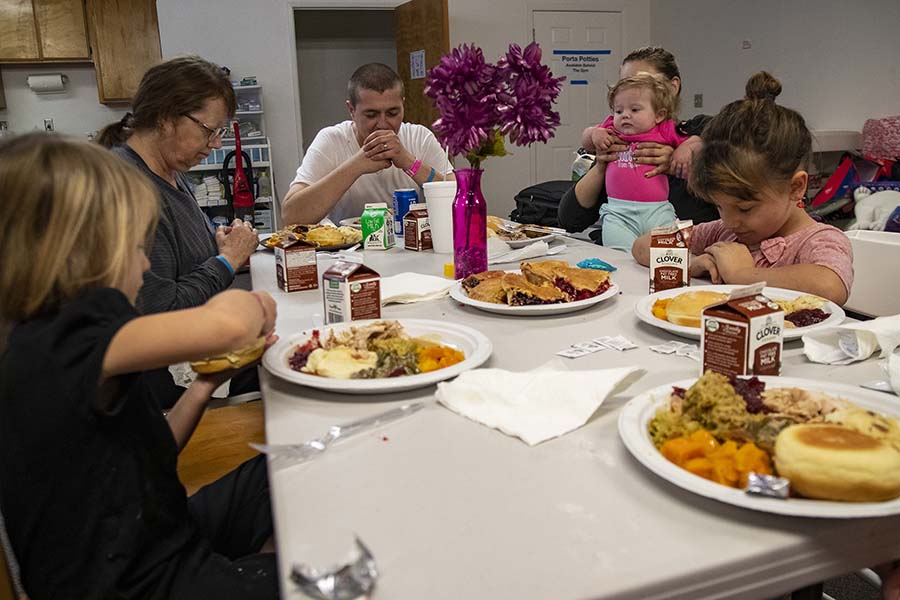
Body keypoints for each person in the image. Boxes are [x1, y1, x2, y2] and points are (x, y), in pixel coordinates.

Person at [0, 133, 279, 598]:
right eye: (135, 247)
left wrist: (204, 386)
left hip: (153, 533)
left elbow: (151, 456)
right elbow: (231, 326)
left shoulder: (47, 342)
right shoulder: (66, 339)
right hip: (133, 584)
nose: (146, 261)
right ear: (80, 255)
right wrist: (254, 305)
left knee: (281, 471)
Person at [98, 55, 261, 408]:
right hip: (163, 387)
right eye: (208, 130)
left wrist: (216, 246)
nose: (216, 144)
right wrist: (227, 260)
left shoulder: (169, 172)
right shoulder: (132, 190)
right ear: (165, 117)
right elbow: (159, 311)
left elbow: (179, 259)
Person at [632, 72, 853, 306]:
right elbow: (642, 246)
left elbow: (831, 287)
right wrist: (690, 262)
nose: (730, 221)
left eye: (745, 208)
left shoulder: (819, 239)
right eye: (719, 206)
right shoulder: (722, 232)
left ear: (796, 187)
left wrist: (744, 276)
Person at [558, 46, 718, 237]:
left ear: (673, 87)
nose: (632, 89)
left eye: (643, 82)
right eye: (625, 83)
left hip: (680, 251)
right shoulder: (620, 138)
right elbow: (569, 219)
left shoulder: (701, 130)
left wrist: (679, 158)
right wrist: (601, 165)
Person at [282, 62, 454, 225]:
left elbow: (458, 199)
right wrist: (356, 165)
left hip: (411, 246)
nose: (383, 124)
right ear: (351, 110)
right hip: (348, 252)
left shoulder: (419, 137)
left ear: (403, 105)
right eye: (371, 115)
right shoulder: (332, 140)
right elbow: (290, 216)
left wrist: (410, 163)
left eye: (392, 113)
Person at [586, 71, 689, 251]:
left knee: (670, 255)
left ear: (658, 115)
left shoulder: (665, 130)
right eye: (619, 110)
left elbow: (694, 141)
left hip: (658, 211)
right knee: (620, 257)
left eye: (634, 109)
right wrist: (594, 134)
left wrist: (683, 150)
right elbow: (586, 137)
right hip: (618, 213)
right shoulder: (611, 128)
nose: (625, 115)